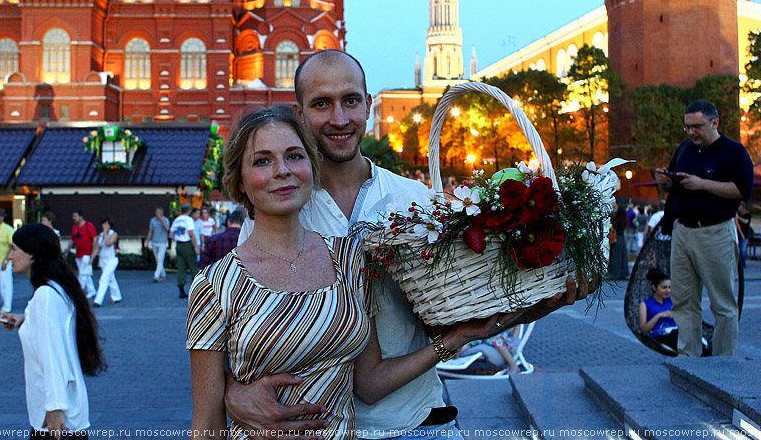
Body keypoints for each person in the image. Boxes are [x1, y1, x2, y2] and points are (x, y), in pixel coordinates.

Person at [225, 50, 589, 439]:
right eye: (321, 104)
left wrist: (531, 304)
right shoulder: (278, 212)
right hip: (312, 430)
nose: (339, 118)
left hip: (417, 424)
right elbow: (237, 330)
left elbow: (462, 313)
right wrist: (232, 393)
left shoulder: (416, 200)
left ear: (368, 104)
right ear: (300, 114)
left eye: (350, 100)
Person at [188, 106, 514, 439]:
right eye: (262, 161)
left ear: (311, 168)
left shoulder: (350, 260)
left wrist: (456, 340)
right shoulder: (214, 285)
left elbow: (371, 383)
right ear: (239, 180)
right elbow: (207, 424)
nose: (282, 170)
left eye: (294, 156)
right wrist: (232, 393)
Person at [654, 99, 753, 357]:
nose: (690, 132)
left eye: (696, 126)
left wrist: (703, 184)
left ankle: (722, 364)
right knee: (684, 303)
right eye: (687, 127)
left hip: (715, 232)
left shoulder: (733, 152)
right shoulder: (684, 150)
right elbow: (673, 188)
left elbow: (743, 190)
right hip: (683, 231)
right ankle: (688, 360)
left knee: (723, 305)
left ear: (714, 123)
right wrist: (665, 181)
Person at [0, 224, 106, 438]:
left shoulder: (46, 296)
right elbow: (55, 330)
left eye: (13, 249)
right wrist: (25, 320)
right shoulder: (55, 288)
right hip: (63, 414)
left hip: (55, 420)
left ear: (31, 254)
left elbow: (52, 356)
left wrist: (55, 408)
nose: (9, 256)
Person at [639, 268, 678, 350]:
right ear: (654, 287)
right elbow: (644, 329)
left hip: (677, 332)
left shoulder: (672, 301)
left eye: (669, 287)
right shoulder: (645, 304)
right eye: (664, 288)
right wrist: (658, 316)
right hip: (661, 335)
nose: (668, 291)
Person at [90, 218, 121, 308]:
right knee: (111, 278)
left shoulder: (113, 234)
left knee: (104, 278)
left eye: (106, 224)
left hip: (112, 260)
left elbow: (108, 243)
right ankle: (116, 296)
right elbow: (97, 248)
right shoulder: (101, 235)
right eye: (103, 224)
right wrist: (92, 258)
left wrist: (105, 234)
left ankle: (98, 300)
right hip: (103, 260)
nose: (104, 226)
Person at [171, 205, 199, 299]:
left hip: (179, 244)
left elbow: (171, 235)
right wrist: (196, 246)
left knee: (181, 267)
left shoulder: (176, 220)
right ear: (189, 211)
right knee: (193, 266)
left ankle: (181, 290)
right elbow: (191, 233)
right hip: (187, 244)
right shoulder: (188, 220)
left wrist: (178, 238)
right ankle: (196, 289)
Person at [70, 211, 97, 299]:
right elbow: (72, 240)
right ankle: (91, 290)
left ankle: (79, 292)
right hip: (78, 254)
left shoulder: (88, 226)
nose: (74, 218)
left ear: (81, 217)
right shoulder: (75, 228)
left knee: (83, 273)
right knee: (86, 273)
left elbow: (94, 239)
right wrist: (67, 251)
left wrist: (93, 254)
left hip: (87, 254)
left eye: (75, 216)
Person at [146, 207, 170, 282]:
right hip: (154, 242)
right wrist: (147, 241)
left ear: (162, 213)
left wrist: (162, 220)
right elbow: (150, 231)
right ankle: (163, 274)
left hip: (162, 242)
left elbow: (168, 229)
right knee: (158, 260)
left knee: (160, 259)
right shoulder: (153, 220)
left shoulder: (166, 220)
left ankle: (156, 275)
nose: (158, 214)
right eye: (157, 212)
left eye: (160, 212)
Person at [608, 205, 629, 279]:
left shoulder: (615, 219)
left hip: (616, 238)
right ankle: (623, 273)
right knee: (622, 256)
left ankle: (615, 273)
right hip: (622, 237)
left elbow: (612, 226)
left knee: (615, 256)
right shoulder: (624, 220)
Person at [735, 202, 752, 269]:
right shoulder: (737, 214)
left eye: (740, 207)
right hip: (739, 234)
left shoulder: (747, 215)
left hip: (745, 234)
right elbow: (736, 223)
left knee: (743, 250)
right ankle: (739, 263)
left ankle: (743, 263)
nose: (739, 208)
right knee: (738, 250)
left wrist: (738, 218)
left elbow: (746, 221)